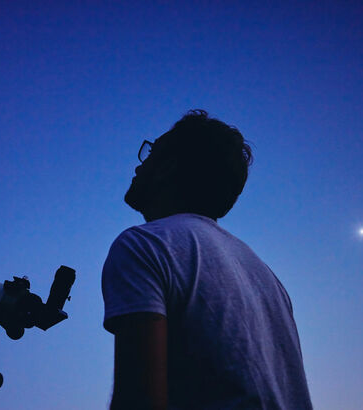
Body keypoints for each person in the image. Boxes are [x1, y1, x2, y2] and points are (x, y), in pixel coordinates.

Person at [102, 110, 312, 409]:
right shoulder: (268, 280)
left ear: (167, 168)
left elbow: (139, 401)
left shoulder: (144, 245)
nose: (140, 164)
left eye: (151, 153)